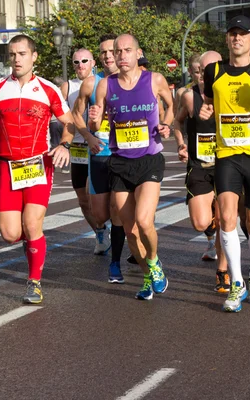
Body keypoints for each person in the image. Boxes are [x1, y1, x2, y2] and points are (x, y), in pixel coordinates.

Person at [0, 34, 75, 304]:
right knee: (10, 234)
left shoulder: (48, 89)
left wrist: (64, 145)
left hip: (39, 164)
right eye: (12, 54)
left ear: (33, 56)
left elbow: (69, 122)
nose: (16, 59)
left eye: (22, 54)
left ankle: (34, 282)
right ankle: (32, 242)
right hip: (8, 166)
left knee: (31, 223)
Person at [200, 15, 250, 312]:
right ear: (227, 39)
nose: (237, 39)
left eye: (243, 34)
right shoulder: (214, 71)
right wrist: (208, 111)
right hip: (226, 156)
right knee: (226, 218)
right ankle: (237, 284)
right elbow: (208, 101)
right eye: (232, 34)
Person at [88, 34, 174, 301]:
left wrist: (166, 124)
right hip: (120, 162)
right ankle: (149, 273)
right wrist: (92, 122)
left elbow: (171, 106)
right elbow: (96, 125)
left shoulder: (155, 79)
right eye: (118, 50)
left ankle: (155, 261)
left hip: (149, 160)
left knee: (144, 220)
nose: (122, 55)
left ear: (138, 53)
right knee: (128, 229)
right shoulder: (105, 86)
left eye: (127, 50)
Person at [72, 34, 131, 284]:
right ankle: (111, 234)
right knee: (100, 214)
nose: (108, 56)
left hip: (126, 155)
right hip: (99, 154)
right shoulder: (90, 84)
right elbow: (75, 115)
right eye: (104, 52)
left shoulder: (131, 81)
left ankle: (118, 260)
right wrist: (88, 135)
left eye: (112, 51)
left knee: (120, 209)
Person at [174, 50, 231, 292]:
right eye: (199, 72)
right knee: (201, 222)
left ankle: (223, 270)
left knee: (226, 219)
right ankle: (216, 228)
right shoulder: (189, 97)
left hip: (227, 164)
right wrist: (181, 143)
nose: (203, 76)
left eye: (207, 71)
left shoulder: (230, 94)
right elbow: (177, 121)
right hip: (198, 165)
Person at [61, 48, 111, 256]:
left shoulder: (101, 82)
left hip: (102, 148)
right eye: (76, 62)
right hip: (79, 149)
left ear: (93, 63)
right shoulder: (67, 87)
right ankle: (100, 232)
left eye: (84, 61)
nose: (80, 65)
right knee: (83, 199)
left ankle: (120, 233)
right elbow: (63, 116)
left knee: (105, 198)